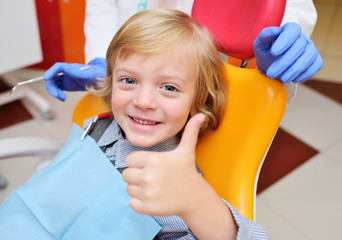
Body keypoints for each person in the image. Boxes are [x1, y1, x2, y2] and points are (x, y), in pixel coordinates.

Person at [82, 8, 269, 239]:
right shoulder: (97, 128)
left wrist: (196, 202)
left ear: (197, 100)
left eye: (169, 87)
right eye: (129, 80)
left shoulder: (175, 189)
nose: (144, 101)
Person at [44, 0, 323, 101]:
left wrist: (282, 37)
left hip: (206, 82)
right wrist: (102, 60)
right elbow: (103, 5)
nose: (143, 102)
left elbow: (281, 8)